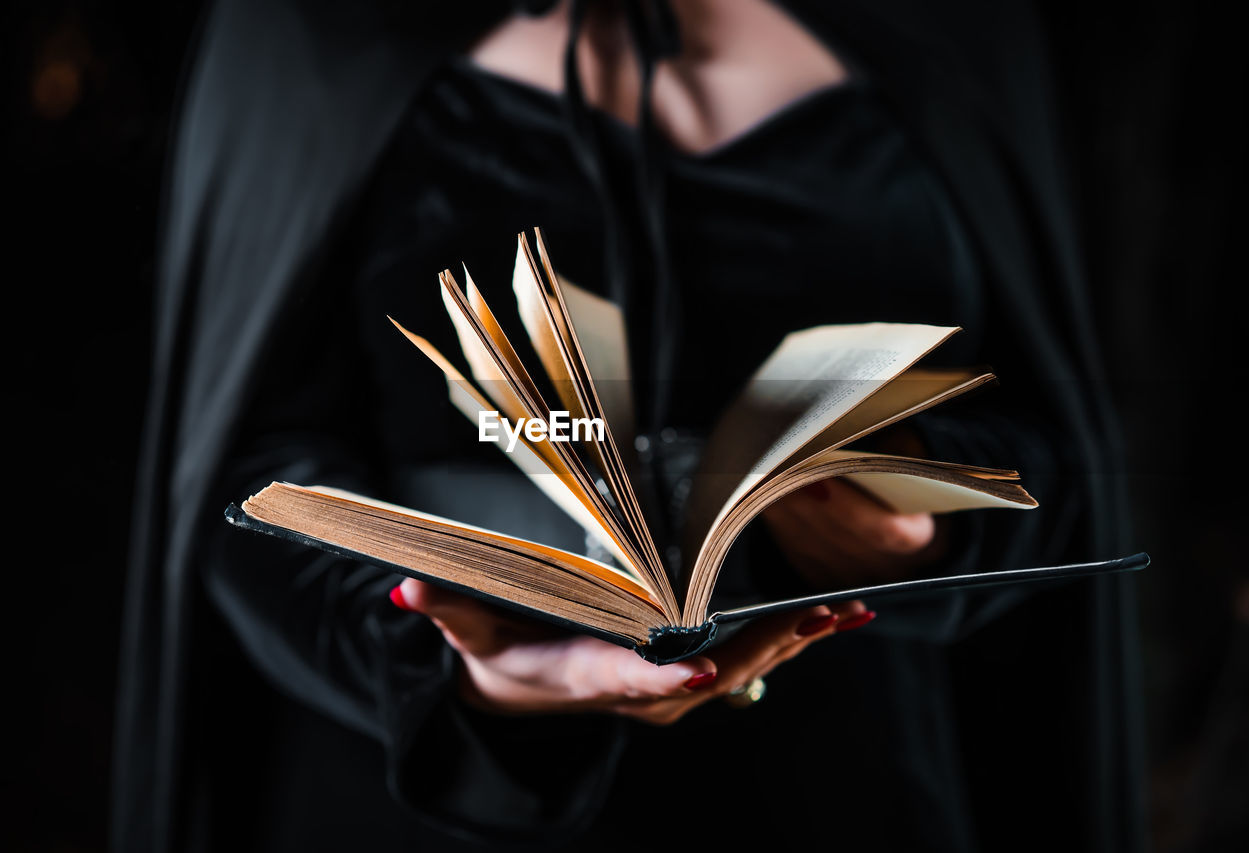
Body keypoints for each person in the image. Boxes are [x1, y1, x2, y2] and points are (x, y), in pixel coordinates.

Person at [113, 0, 1144, 850]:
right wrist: (434, 661)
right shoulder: (314, 29)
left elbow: (1057, 447)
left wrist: (922, 516)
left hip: (848, 795)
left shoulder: (958, 28)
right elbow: (235, 469)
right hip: (411, 804)